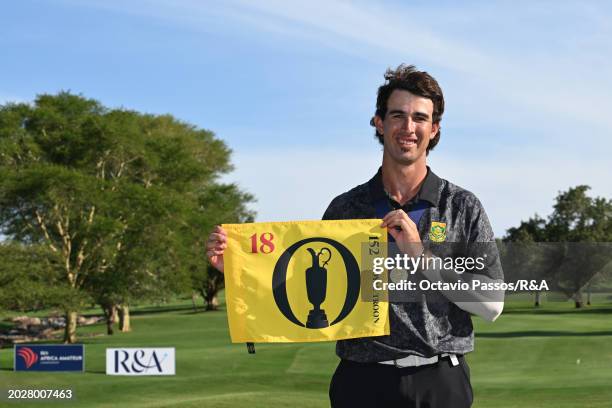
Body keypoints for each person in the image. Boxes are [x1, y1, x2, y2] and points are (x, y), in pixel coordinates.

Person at [207, 64, 504, 408]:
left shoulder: (461, 206)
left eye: (420, 118)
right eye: (398, 115)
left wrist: (420, 255)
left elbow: (491, 304)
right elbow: (312, 291)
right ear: (379, 122)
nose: (409, 127)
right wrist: (237, 269)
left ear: (434, 129)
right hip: (362, 382)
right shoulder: (347, 208)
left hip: (438, 382)